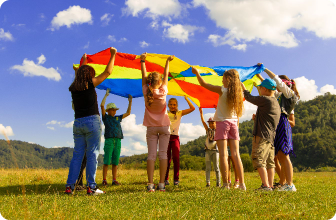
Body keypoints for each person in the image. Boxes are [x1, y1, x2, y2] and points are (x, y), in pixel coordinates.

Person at [65, 47, 117, 195]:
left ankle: (70, 187)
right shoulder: (90, 84)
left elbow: (79, 75)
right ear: (88, 75)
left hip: (78, 123)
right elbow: (108, 72)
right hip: (92, 122)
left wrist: (84, 61)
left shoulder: (74, 87)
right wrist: (113, 55)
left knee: (77, 155)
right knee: (92, 154)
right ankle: (92, 187)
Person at [192, 67, 246, 190]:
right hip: (234, 124)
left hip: (222, 123)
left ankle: (226, 184)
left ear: (227, 79)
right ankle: (242, 184)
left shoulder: (222, 90)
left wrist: (197, 73)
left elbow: (203, 84)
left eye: (223, 78)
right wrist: (240, 83)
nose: (222, 81)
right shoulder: (239, 93)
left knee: (223, 155)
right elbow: (245, 90)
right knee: (236, 155)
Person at [259, 65, 300, 191]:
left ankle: (290, 184)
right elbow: (268, 88)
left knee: (284, 156)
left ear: (284, 84)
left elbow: (275, 79)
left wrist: (264, 69)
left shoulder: (289, 93)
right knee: (281, 156)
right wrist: (258, 76)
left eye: (279, 84)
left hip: (282, 122)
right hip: (278, 123)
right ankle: (284, 184)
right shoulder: (280, 95)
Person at [141, 52, 174, 192]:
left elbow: (143, 77)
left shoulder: (146, 91)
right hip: (164, 127)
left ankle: (150, 184)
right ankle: (161, 184)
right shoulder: (163, 91)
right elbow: (166, 75)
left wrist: (143, 61)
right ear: (159, 82)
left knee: (151, 155)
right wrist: (168, 61)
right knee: (163, 155)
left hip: (151, 128)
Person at [242, 78, 281, 191]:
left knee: (259, 159)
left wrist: (243, 88)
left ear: (264, 88)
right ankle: (270, 185)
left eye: (260, 88)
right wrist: (257, 119)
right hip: (270, 137)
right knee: (270, 162)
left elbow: (249, 98)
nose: (259, 90)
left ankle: (265, 185)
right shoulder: (275, 102)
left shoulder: (266, 99)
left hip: (262, 135)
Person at [101, 88, 132, 186]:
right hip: (109, 140)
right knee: (106, 161)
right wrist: (106, 95)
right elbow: (102, 105)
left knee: (115, 162)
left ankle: (114, 180)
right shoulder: (105, 118)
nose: (114, 112)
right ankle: (104, 180)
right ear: (108, 111)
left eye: (115, 110)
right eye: (113, 110)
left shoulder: (118, 118)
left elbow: (128, 113)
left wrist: (130, 102)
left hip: (118, 140)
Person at [165, 96, 195, 186]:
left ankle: (176, 179)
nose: (172, 106)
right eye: (171, 104)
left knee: (176, 158)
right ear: (168, 105)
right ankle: (165, 179)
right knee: (167, 159)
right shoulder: (165, 112)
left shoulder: (180, 113)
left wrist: (186, 98)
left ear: (177, 105)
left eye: (174, 104)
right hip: (166, 137)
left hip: (175, 138)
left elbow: (192, 108)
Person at [199, 108, 221, 187]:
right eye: (210, 123)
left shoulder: (218, 130)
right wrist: (201, 113)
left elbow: (219, 118)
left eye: (213, 123)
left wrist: (217, 110)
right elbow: (203, 122)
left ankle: (218, 182)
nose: (211, 124)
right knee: (208, 168)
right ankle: (208, 182)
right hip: (208, 151)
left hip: (215, 151)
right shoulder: (208, 130)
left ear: (216, 123)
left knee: (216, 167)